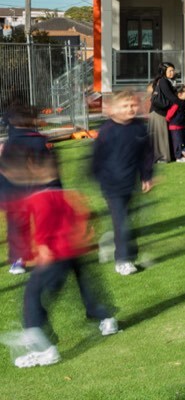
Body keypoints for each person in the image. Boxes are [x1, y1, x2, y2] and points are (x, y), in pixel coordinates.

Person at [1, 150, 119, 368]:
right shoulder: (71, 194)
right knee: (87, 288)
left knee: (32, 298)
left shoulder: (38, 199)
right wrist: (87, 238)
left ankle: (44, 350)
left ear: (35, 170)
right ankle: (106, 318)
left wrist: (43, 248)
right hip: (76, 250)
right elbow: (88, 217)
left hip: (54, 255)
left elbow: (41, 226)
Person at [90, 89, 154, 276]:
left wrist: (147, 175)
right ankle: (123, 260)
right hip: (112, 186)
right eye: (125, 106)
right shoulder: (106, 131)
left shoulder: (139, 128)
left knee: (128, 221)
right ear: (113, 109)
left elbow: (146, 155)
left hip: (130, 183)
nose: (130, 109)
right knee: (122, 222)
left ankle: (121, 250)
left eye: (133, 105)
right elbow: (96, 159)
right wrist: (99, 177)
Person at [1, 104, 61, 275]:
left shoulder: (19, 143)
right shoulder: (37, 141)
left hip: (22, 193)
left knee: (19, 227)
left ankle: (22, 258)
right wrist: (56, 188)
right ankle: (32, 256)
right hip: (33, 192)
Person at [147, 62, 176, 163]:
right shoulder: (163, 81)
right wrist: (181, 103)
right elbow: (170, 97)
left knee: (159, 135)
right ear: (164, 71)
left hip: (157, 111)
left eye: (173, 70)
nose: (172, 72)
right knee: (160, 135)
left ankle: (160, 156)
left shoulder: (165, 81)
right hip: (159, 112)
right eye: (170, 71)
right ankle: (162, 157)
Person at [166, 85, 185, 162]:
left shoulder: (183, 103)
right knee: (177, 143)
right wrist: (173, 122)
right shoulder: (176, 104)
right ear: (179, 94)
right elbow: (168, 115)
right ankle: (178, 157)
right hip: (175, 127)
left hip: (182, 126)